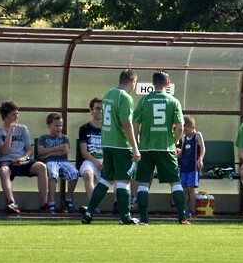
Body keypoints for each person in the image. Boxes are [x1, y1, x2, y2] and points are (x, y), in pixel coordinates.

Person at [81, 68, 142, 225]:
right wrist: (135, 148)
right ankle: (125, 217)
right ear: (132, 82)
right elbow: (126, 124)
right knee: (124, 181)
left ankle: (89, 212)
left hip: (106, 144)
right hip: (121, 145)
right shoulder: (125, 97)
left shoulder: (108, 94)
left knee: (106, 180)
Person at [133, 71, 189, 225]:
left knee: (143, 183)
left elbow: (135, 123)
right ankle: (182, 218)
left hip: (146, 148)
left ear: (153, 84)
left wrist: (137, 142)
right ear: (168, 83)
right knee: (175, 183)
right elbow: (180, 127)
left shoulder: (144, 100)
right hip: (166, 148)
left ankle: (144, 219)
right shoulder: (173, 101)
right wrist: (175, 142)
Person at [0, 101, 49, 213]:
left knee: (41, 166)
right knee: (3, 171)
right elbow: (3, 151)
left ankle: (45, 204)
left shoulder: (23, 129)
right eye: (13, 114)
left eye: (17, 113)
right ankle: (11, 202)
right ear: (5, 116)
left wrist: (24, 158)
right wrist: (10, 133)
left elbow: (29, 150)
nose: (17, 116)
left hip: (23, 161)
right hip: (7, 161)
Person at [37, 113, 80, 213]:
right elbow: (41, 151)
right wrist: (58, 149)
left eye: (60, 125)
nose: (59, 128)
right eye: (56, 125)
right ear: (49, 125)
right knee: (53, 174)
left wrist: (48, 153)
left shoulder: (65, 138)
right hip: (50, 161)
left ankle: (68, 199)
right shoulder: (43, 138)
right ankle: (51, 201)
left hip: (63, 161)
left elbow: (65, 151)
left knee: (74, 173)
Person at [177, 115, 205, 219]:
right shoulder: (184, 138)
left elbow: (202, 148)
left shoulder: (197, 135)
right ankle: (185, 210)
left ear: (191, 126)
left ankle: (192, 211)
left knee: (190, 188)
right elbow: (182, 152)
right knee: (184, 188)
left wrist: (200, 159)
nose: (185, 131)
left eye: (186, 128)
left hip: (193, 167)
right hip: (184, 166)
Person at [78, 98, 103, 203]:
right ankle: (94, 206)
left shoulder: (109, 128)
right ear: (91, 110)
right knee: (87, 174)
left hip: (107, 160)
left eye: (102, 109)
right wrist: (96, 162)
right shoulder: (84, 128)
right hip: (90, 160)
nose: (100, 111)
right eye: (97, 108)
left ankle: (117, 206)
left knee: (120, 174)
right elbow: (84, 152)